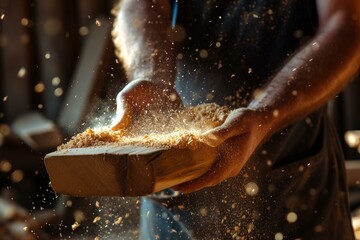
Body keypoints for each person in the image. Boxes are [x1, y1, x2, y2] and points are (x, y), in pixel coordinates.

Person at [111, 0, 360, 239]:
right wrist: (151, 75)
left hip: (290, 177)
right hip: (172, 178)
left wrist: (266, 113)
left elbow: (346, 25)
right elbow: (140, 3)